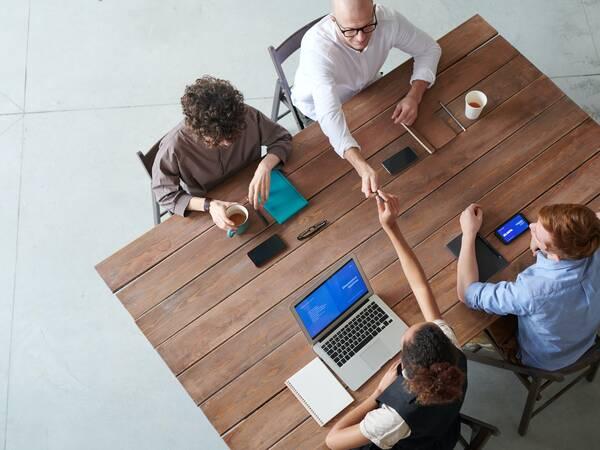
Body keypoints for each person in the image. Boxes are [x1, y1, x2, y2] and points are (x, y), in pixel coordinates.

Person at [325, 192, 467, 450]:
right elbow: (421, 287)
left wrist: (376, 394)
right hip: (444, 431)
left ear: (408, 371)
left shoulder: (393, 417)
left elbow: (332, 441)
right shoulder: (452, 353)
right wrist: (391, 228)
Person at [292, 0, 441, 198]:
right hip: (317, 109)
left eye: (367, 26)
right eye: (351, 30)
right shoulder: (317, 49)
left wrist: (414, 96)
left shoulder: (388, 20)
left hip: (369, 90)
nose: (361, 38)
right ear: (333, 20)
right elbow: (329, 114)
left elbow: (429, 49)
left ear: (374, 11)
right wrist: (361, 166)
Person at [457, 203, 600, 371]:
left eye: (536, 232)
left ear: (552, 253)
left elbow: (467, 293)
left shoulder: (531, 291)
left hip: (541, 361)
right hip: (586, 340)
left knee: (478, 319)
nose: (531, 226)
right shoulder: (592, 241)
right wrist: (545, 241)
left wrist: (468, 233)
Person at [152, 76, 292, 231]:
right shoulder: (174, 146)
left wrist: (265, 166)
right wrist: (208, 205)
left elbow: (282, 138)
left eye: (233, 133)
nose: (228, 142)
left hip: (258, 195)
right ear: (197, 129)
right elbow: (164, 194)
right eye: (218, 137)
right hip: (210, 214)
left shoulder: (246, 115)